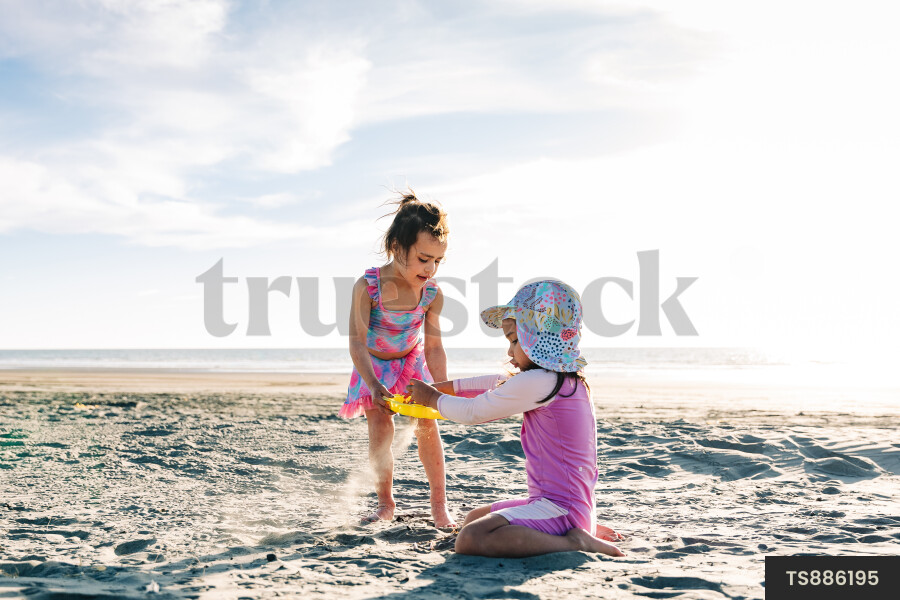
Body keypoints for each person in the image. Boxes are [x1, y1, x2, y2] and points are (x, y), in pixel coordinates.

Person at [406, 280, 625, 557]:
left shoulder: (540, 381)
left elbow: (475, 412)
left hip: (560, 509)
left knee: (471, 538)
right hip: (567, 505)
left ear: (539, 337)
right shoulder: (564, 381)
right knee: (473, 517)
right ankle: (583, 528)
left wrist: (432, 399)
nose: (509, 352)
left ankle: (575, 541)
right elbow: (494, 382)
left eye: (513, 340)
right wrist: (438, 388)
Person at [340, 191, 455, 528]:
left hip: (410, 363)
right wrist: (374, 386)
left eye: (438, 261)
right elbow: (357, 344)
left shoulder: (431, 294)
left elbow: (433, 348)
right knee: (381, 427)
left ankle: (438, 506)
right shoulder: (368, 287)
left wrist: (441, 388)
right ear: (396, 247)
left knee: (427, 426)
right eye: (423, 258)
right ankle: (386, 504)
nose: (431, 268)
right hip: (372, 366)